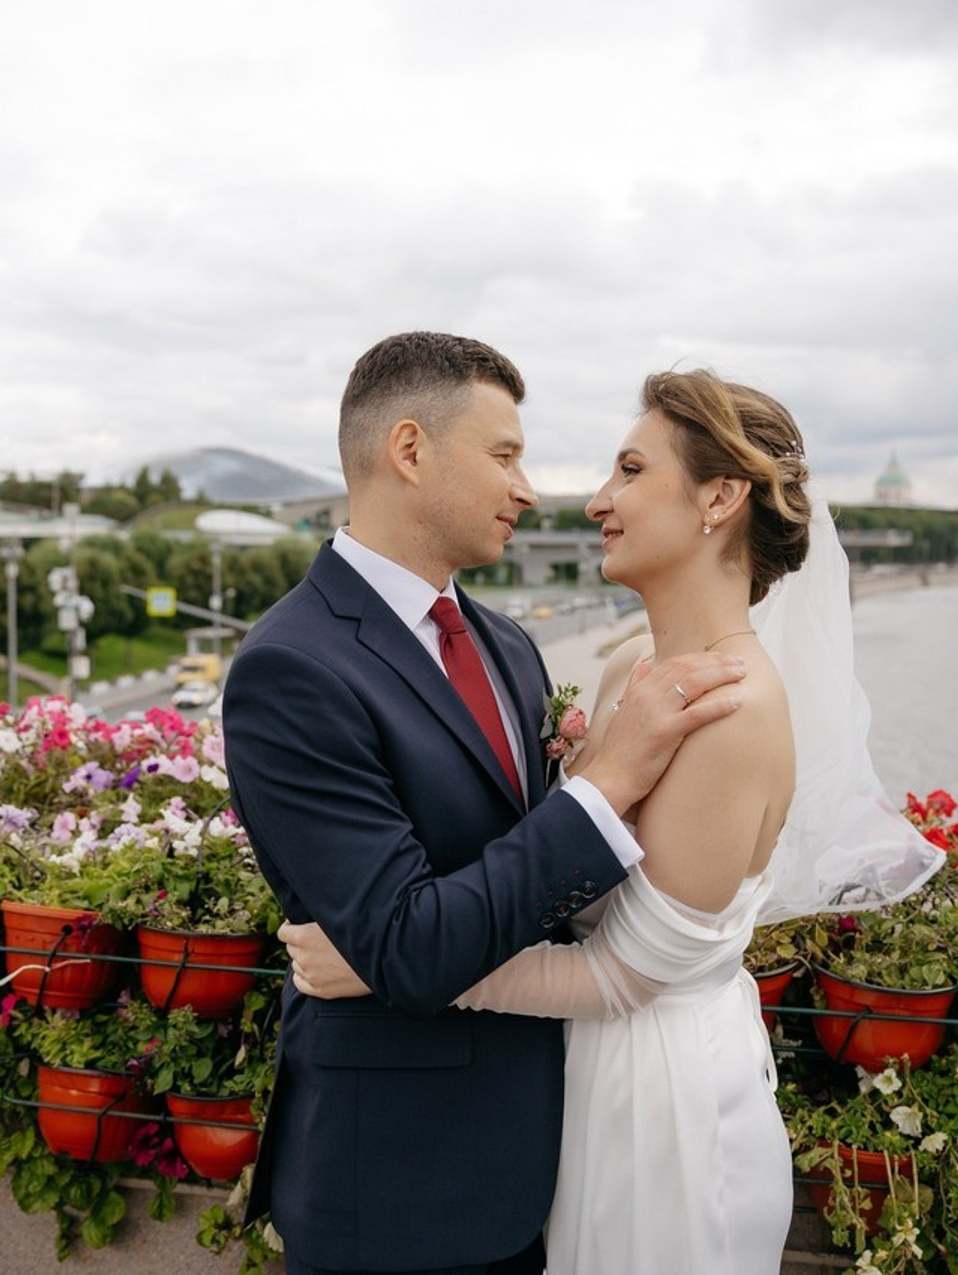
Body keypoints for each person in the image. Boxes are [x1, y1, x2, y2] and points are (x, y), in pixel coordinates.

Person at [283, 367, 943, 1273]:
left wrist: (378, 961)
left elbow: (622, 977)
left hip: (661, 1106)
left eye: (630, 470)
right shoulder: (631, 666)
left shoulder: (735, 709)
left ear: (719, 496)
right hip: (565, 1094)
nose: (597, 499)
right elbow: (546, 862)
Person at [221, 335, 749, 1275]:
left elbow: (541, 882)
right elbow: (409, 947)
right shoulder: (291, 669)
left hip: (555, 1153)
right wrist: (606, 781)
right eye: (505, 455)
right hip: (398, 1188)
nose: (532, 489)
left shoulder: (508, 646)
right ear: (411, 451)